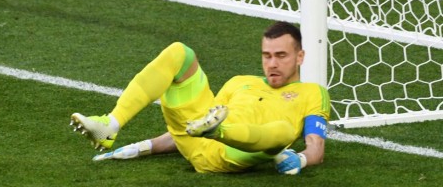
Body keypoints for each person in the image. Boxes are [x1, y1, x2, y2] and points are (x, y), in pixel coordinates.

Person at [70, 21, 330, 175]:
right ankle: (111, 125)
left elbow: (316, 148)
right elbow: (203, 124)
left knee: (284, 133)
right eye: (267, 55)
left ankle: (222, 133)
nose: (272, 63)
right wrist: (142, 147)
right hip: (199, 143)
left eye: (281, 56)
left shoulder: (313, 93)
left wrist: (303, 159)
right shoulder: (239, 82)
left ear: (300, 57)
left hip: (236, 153)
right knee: (179, 53)